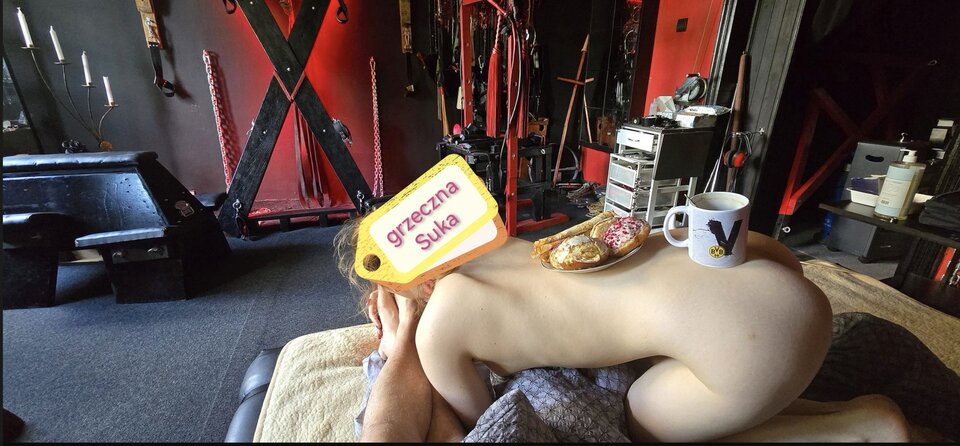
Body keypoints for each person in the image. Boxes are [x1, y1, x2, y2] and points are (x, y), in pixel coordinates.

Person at [336, 218, 915, 442]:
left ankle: (861, 428)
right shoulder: (512, 245)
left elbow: (473, 418)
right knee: (683, 378)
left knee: (643, 419)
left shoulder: (438, 332)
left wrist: (400, 343)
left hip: (751, 346)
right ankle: (839, 405)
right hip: (765, 270)